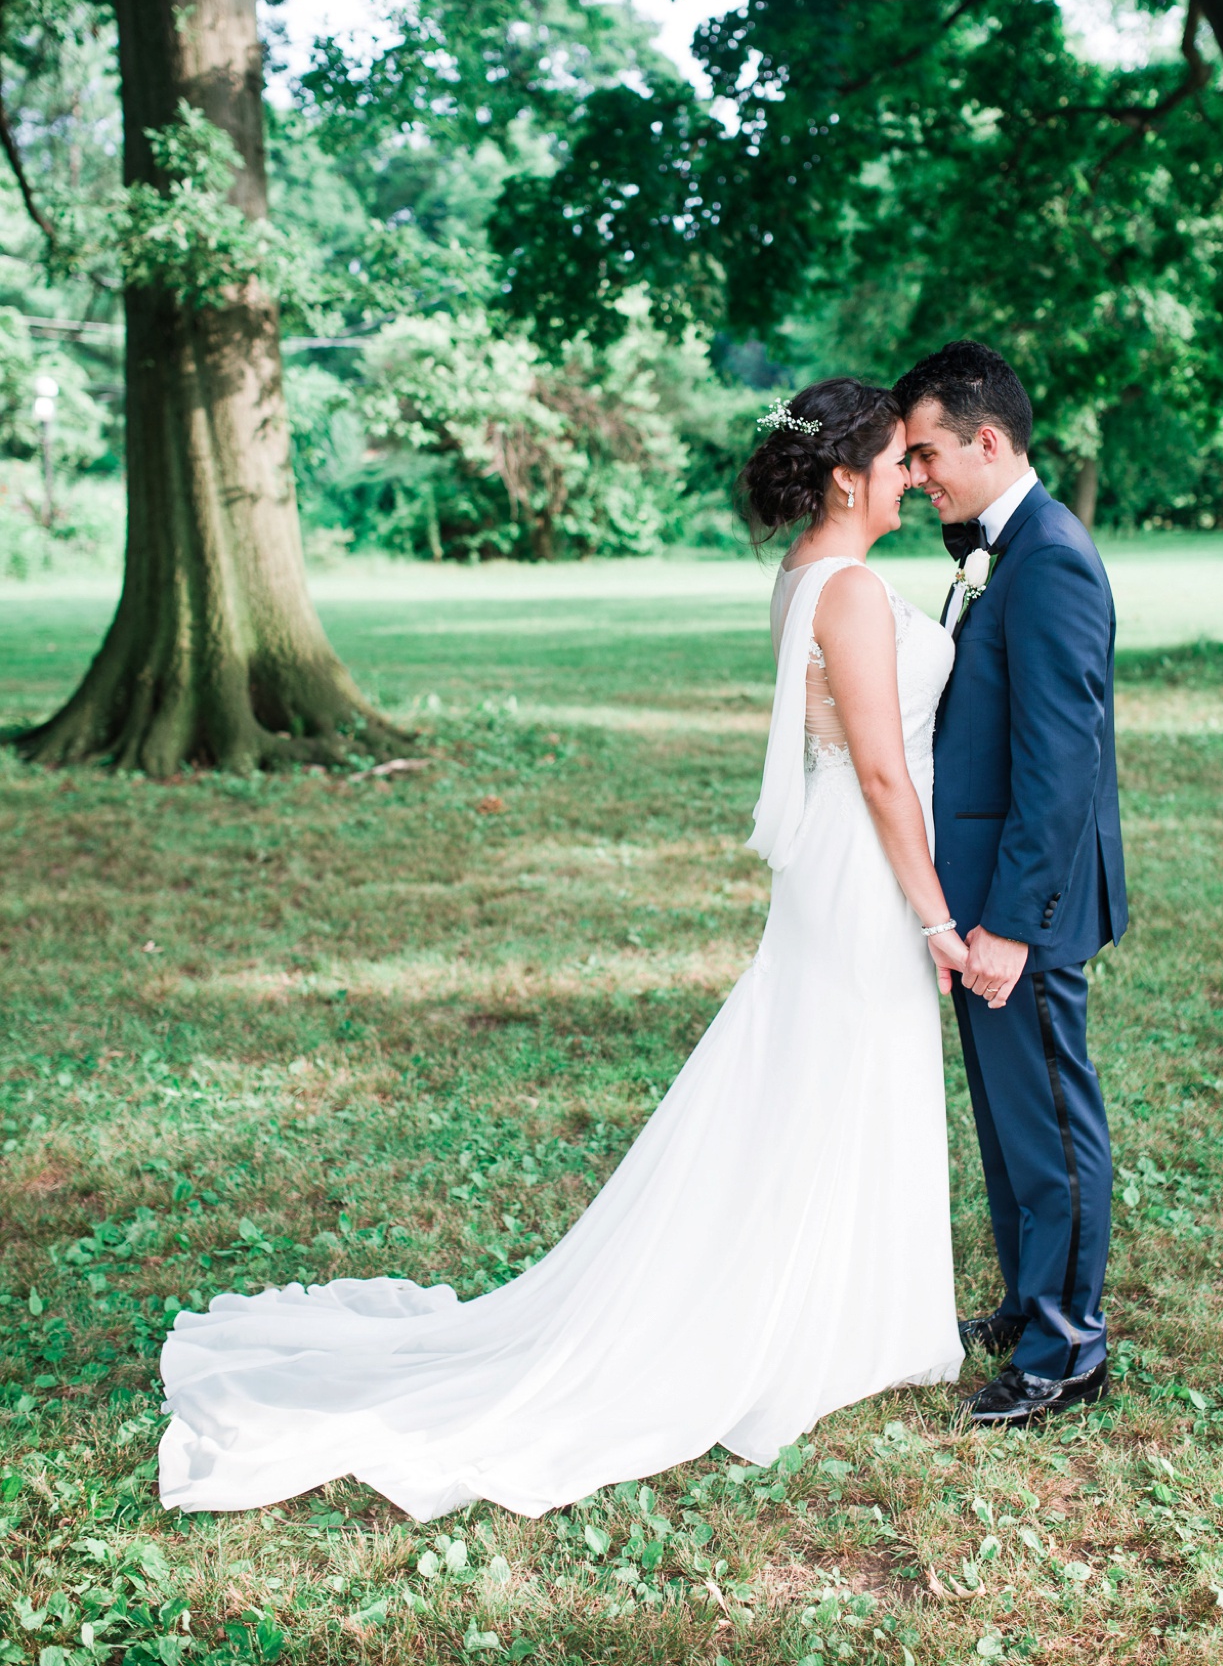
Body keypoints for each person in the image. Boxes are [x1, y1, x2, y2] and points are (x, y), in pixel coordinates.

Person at [157, 378, 969, 1523]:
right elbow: (883, 772)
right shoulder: (842, 589)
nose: (907, 477)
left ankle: (845, 1313)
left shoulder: (808, 575)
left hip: (840, 865)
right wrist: (936, 917)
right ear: (846, 476)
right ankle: (804, 1330)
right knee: (839, 1076)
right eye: (894, 461)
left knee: (832, 1079)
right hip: (862, 867)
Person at [896, 341, 1128, 1426]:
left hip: (1018, 906)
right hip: (983, 891)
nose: (918, 473)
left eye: (929, 452)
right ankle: (1029, 1300)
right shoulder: (992, 548)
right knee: (1004, 1118)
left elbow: (1060, 761)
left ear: (988, 442)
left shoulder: (1049, 558)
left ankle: (1066, 1348)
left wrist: (1010, 924)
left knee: (1045, 1114)